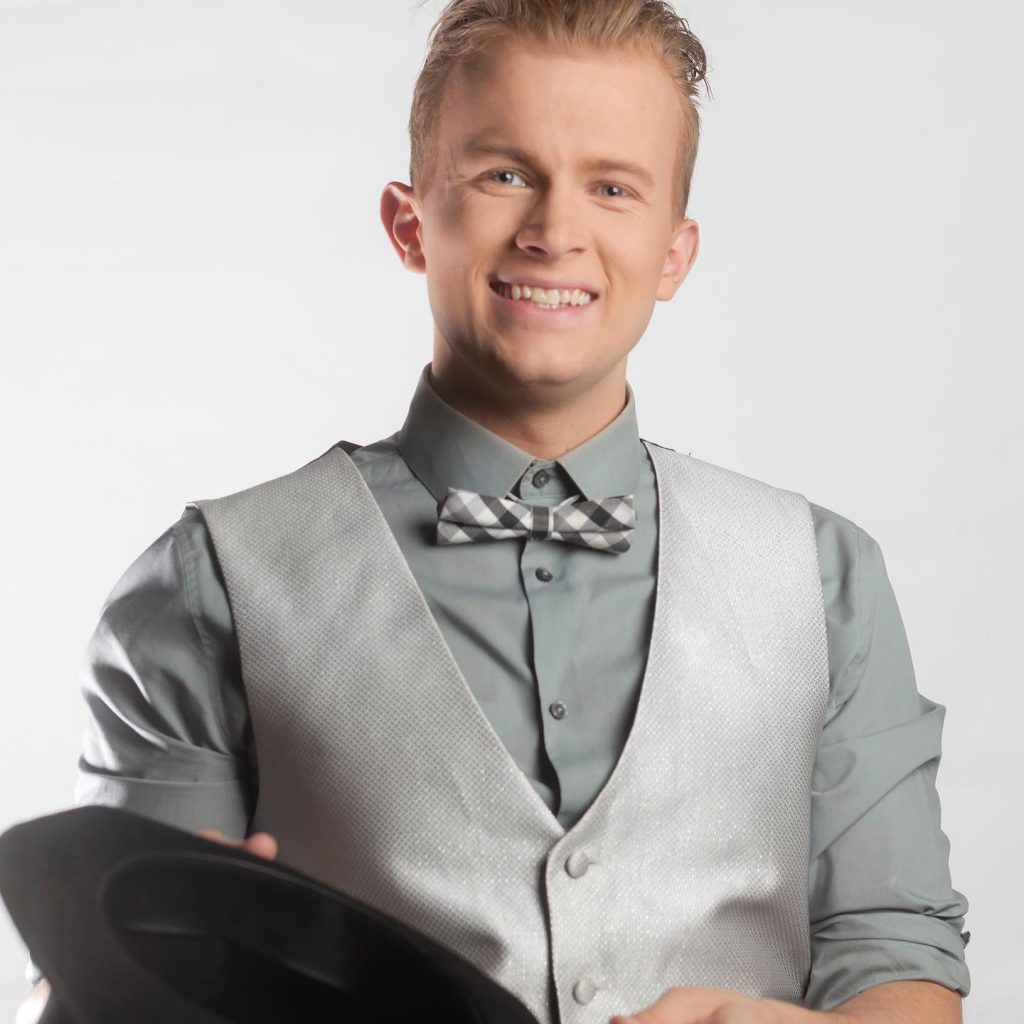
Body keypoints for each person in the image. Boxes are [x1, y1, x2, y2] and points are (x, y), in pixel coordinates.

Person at [18, 2, 970, 1022]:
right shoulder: (214, 584)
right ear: (409, 224)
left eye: (613, 187)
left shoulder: (821, 577)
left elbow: (895, 951)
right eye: (504, 176)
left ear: (674, 254)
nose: (555, 232)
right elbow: (108, 977)